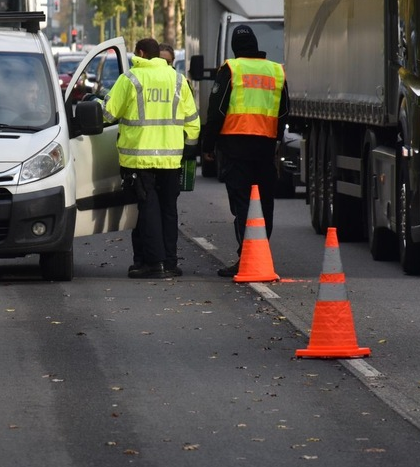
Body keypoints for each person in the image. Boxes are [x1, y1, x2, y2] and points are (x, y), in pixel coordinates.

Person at [103, 37, 200, 279]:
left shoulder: (131, 78)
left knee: (148, 210)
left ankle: (153, 263)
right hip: (171, 158)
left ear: (140, 52)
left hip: (140, 158)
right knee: (168, 209)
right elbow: (192, 120)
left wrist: (95, 102)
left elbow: (108, 113)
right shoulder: (178, 79)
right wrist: (189, 149)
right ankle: (170, 262)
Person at [200, 24, 289, 277]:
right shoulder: (276, 71)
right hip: (265, 148)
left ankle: (247, 257)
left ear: (235, 47)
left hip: (235, 147)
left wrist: (208, 144)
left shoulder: (231, 69)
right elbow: (284, 110)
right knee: (264, 202)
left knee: (242, 203)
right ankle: (261, 252)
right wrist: (276, 139)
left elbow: (217, 110)